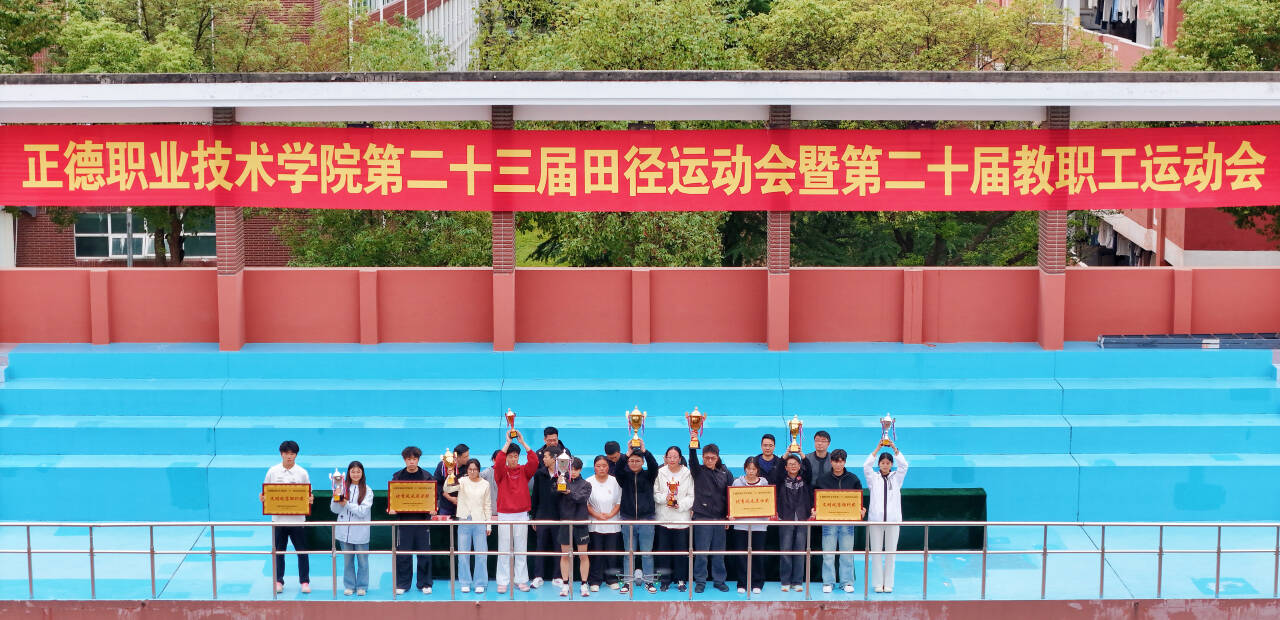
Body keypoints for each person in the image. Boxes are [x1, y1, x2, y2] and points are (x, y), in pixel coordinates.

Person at [262, 440, 312, 594]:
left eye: (292, 453)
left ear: (296, 455)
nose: (289, 456)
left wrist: (310, 499)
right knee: (279, 552)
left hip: (298, 521)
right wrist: (263, 498)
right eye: (286, 453)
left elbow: (309, 494)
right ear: (281, 454)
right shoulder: (272, 471)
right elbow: (265, 493)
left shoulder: (302, 473)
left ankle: (304, 582)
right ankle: (278, 581)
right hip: (278, 521)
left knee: (302, 552)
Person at [812, 449, 865, 594]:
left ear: (845, 462)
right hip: (828, 522)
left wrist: (862, 510)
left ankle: (846, 582)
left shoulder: (853, 479)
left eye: (841, 461)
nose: (838, 464)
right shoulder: (822, 480)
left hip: (847, 522)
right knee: (828, 554)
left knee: (846, 554)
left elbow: (859, 500)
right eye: (836, 461)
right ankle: (828, 582)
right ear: (831, 462)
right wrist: (815, 510)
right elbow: (816, 499)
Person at [494, 431, 538, 593]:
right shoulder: (500, 472)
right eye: (510, 456)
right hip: (505, 514)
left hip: (521, 514)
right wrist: (507, 443)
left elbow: (534, 461)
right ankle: (503, 581)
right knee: (504, 549)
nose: (513, 459)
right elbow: (498, 461)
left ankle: (521, 580)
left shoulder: (524, 471)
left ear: (519, 457)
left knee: (521, 549)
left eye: (515, 456)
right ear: (506, 457)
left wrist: (523, 443)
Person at [389, 445, 435, 595]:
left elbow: (435, 498)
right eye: (409, 459)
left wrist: (434, 508)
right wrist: (392, 508)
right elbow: (392, 499)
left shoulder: (427, 477)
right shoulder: (397, 477)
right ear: (404, 460)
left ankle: (425, 584)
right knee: (403, 554)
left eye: (414, 459)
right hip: (404, 522)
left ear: (418, 460)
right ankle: (403, 584)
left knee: (424, 554)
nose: (411, 462)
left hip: (422, 522)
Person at [688, 442, 732, 593]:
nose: (710, 461)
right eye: (707, 458)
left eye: (713, 458)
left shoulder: (725, 473)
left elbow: (730, 495)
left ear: (717, 458)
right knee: (701, 553)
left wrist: (728, 516)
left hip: (720, 519)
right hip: (702, 518)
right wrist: (693, 445)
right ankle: (700, 581)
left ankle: (719, 580)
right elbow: (692, 460)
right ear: (702, 457)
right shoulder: (698, 471)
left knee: (719, 554)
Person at [617, 442, 660, 593]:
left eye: (637, 461)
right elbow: (617, 469)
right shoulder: (624, 476)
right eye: (631, 461)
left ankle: (649, 581)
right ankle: (627, 582)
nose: (634, 463)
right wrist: (627, 453)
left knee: (647, 553)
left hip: (646, 519)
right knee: (629, 554)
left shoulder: (649, 475)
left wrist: (645, 451)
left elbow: (654, 465)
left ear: (642, 462)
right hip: (627, 519)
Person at [865, 442, 907, 594]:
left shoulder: (897, 478)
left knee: (891, 553)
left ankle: (888, 583)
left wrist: (894, 448)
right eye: (882, 463)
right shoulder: (873, 478)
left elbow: (904, 466)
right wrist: (878, 448)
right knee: (875, 553)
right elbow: (866, 466)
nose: (885, 465)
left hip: (893, 521)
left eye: (888, 463)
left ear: (891, 464)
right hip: (875, 521)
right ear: (879, 464)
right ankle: (878, 583)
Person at [445, 458, 492, 594]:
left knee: (481, 554)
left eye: (475, 469)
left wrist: (488, 525)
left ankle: (480, 583)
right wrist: (450, 475)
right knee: (463, 554)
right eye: (470, 469)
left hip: (480, 521)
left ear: (479, 470)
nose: (472, 472)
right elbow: (447, 489)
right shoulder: (462, 481)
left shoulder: (485, 484)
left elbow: (487, 505)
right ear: (467, 470)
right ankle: (465, 582)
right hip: (464, 520)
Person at [768, 452, 812, 593]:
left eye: (795, 464)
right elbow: (777, 471)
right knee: (785, 551)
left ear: (799, 466)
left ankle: (797, 582)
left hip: (802, 519)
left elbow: (809, 469)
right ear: (786, 467)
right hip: (785, 518)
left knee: (800, 552)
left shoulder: (804, 479)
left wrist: (801, 454)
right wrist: (786, 455)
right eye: (790, 464)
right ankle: (785, 581)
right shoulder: (781, 480)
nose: (793, 466)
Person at [653, 446, 694, 592]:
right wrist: (665, 498)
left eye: (675, 457)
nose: (672, 459)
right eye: (669, 457)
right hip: (663, 518)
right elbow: (655, 493)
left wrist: (680, 504)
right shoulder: (660, 472)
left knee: (681, 552)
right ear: (665, 458)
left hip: (681, 519)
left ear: (680, 458)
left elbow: (691, 496)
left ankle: (681, 580)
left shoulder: (687, 473)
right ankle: (665, 580)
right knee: (663, 552)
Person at [331, 460, 373, 596]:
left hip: (360, 532)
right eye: (353, 471)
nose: (355, 474)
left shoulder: (368, 490)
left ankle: (362, 586)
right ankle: (349, 585)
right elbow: (335, 510)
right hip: (343, 532)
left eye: (358, 472)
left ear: (362, 473)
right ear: (348, 473)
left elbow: (362, 511)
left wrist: (346, 504)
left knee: (363, 562)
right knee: (347, 562)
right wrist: (335, 497)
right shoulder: (342, 488)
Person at [730, 456, 769, 595]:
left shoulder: (764, 482)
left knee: (757, 555)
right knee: (741, 555)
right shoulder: (737, 482)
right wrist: (732, 514)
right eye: (749, 468)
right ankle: (742, 582)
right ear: (745, 468)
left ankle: (757, 583)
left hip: (759, 525)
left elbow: (767, 501)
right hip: (741, 525)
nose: (751, 471)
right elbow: (732, 502)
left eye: (754, 469)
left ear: (757, 470)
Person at [586, 455, 623, 592]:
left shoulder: (615, 481)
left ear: (608, 467)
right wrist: (597, 515)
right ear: (594, 467)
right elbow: (587, 504)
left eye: (604, 466)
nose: (601, 468)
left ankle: (611, 579)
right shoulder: (588, 482)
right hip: (595, 524)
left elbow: (619, 502)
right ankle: (595, 580)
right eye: (598, 466)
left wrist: (610, 515)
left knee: (611, 554)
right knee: (596, 554)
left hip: (612, 523)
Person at [557, 457, 592, 597]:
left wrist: (569, 492)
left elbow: (581, 498)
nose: (573, 472)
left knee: (583, 555)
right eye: (571, 469)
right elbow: (553, 493)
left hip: (580, 523)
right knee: (565, 555)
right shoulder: (561, 480)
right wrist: (558, 483)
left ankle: (584, 584)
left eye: (576, 470)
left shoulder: (586, 484)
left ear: (580, 470)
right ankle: (565, 584)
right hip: (565, 523)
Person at [529, 446, 563, 589]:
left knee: (558, 548)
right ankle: (538, 576)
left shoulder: (563, 474)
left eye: (546, 457)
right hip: (542, 516)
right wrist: (533, 517)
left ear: (554, 458)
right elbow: (535, 496)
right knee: (540, 547)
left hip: (558, 517)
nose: (543, 459)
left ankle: (558, 576)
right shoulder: (539, 474)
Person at [435, 443, 470, 519]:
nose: (468, 458)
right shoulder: (443, 466)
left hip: (463, 505)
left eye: (468, 455)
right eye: (465, 457)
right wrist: (450, 498)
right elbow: (438, 484)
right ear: (457, 457)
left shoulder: (469, 466)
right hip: (446, 505)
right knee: (445, 525)